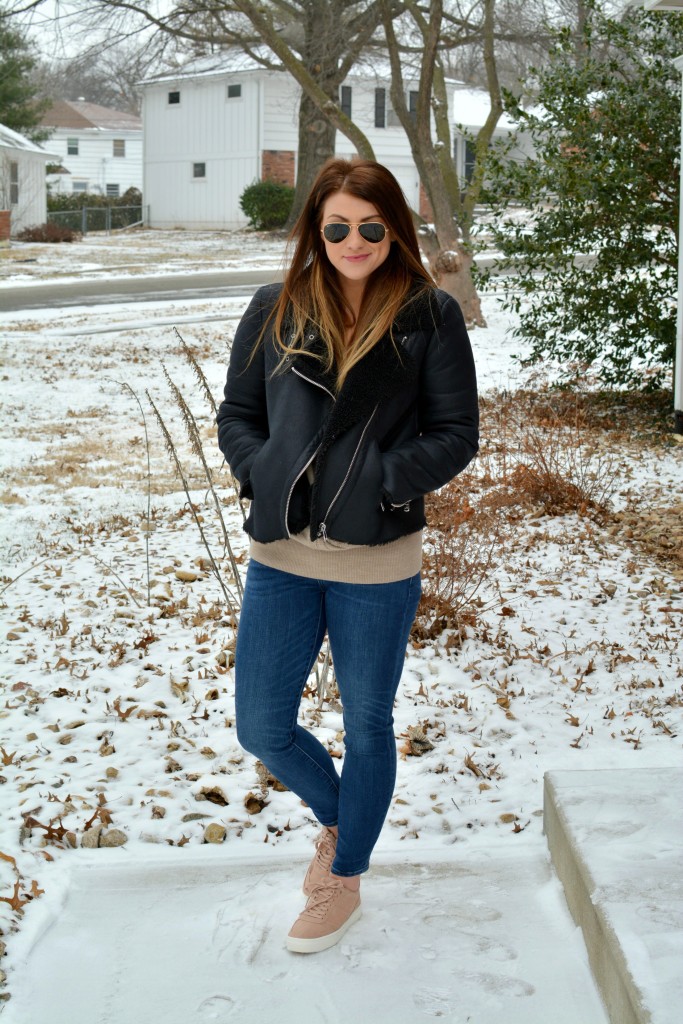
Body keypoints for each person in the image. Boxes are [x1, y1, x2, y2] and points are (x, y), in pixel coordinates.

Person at [216, 158, 479, 954]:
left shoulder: (427, 316)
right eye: (335, 226)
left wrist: (377, 482)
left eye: (369, 226)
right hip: (282, 555)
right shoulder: (275, 307)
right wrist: (263, 472)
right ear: (315, 231)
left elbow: (455, 434)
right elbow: (238, 413)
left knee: (367, 725)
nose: (352, 240)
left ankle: (344, 872)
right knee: (262, 725)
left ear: (392, 229)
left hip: (376, 560)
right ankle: (343, 819)